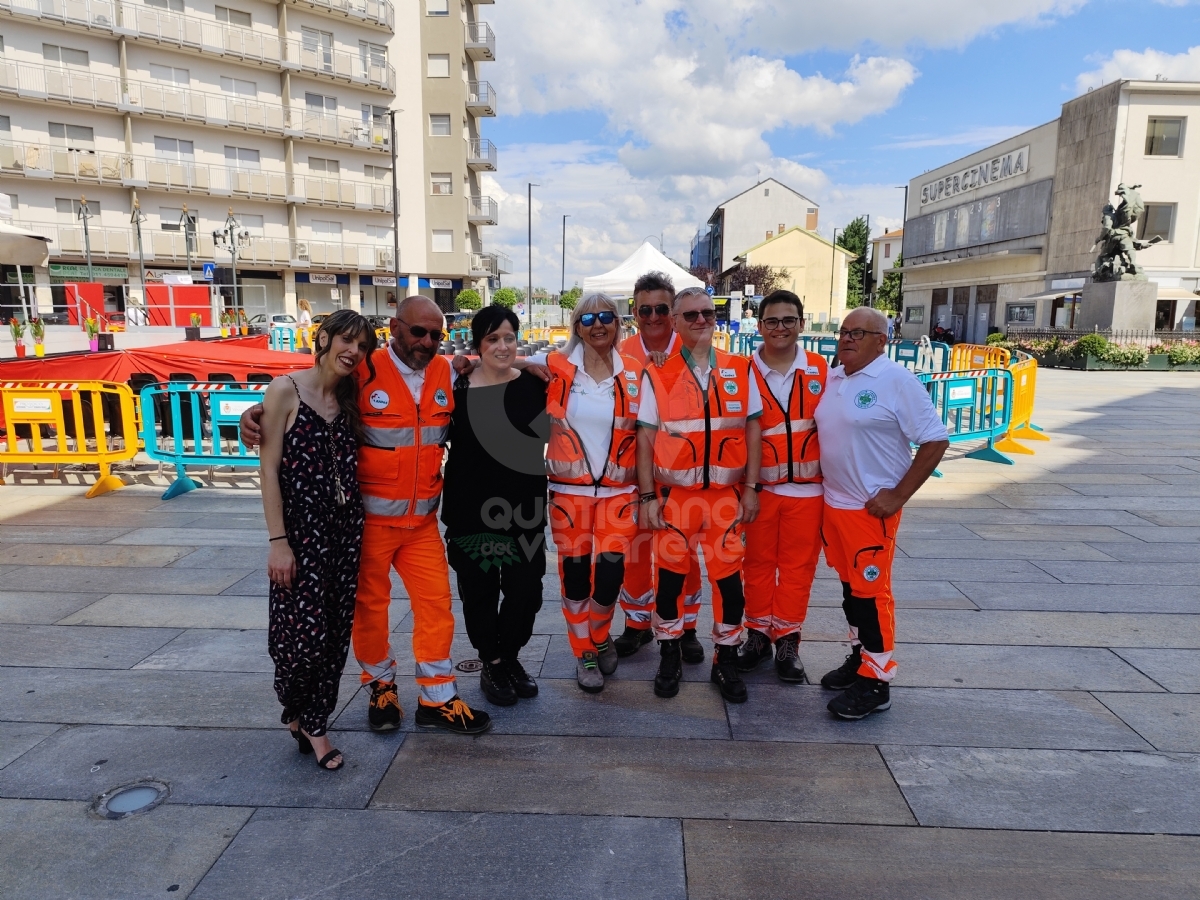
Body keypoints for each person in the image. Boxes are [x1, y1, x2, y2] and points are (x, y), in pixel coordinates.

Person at [242, 296, 491, 736]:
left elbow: (493, 364)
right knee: (370, 609)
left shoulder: (446, 371)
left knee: (437, 608)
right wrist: (257, 413)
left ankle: (438, 697)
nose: (428, 341)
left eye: (437, 334)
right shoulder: (359, 371)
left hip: (421, 525)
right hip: (368, 523)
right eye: (418, 332)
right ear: (394, 327)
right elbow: (307, 393)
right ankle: (380, 687)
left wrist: (532, 367)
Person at [815, 307, 948, 719]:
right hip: (834, 506)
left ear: (881, 340)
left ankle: (877, 681)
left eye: (859, 332)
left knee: (872, 595)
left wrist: (898, 496)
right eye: (844, 331)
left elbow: (935, 441)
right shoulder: (835, 376)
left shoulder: (896, 381)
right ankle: (860, 656)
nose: (848, 338)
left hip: (870, 511)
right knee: (850, 590)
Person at [260, 310, 376, 771]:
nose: (354, 352)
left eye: (362, 346)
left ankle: (314, 721)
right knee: (298, 639)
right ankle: (294, 706)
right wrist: (278, 541)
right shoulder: (285, 389)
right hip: (300, 536)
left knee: (333, 636)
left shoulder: (351, 394)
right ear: (323, 338)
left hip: (346, 533)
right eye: (347, 341)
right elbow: (268, 470)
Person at [637, 286, 763, 703]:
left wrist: (750, 489)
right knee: (670, 584)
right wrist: (647, 497)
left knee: (730, 587)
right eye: (689, 315)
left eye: (707, 313)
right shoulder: (657, 372)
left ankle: (724, 659)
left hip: (726, 498)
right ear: (674, 322)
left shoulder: (741, 368)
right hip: (676, 499)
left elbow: (753, 430)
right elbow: (645, 439)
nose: (700, 321)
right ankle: (669, 652)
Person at [442, 305, 548, 706]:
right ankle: (492, 660)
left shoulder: (536, 385)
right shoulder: (459, 388)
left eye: (509, 337)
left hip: (525, 511)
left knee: (526, 591)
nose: (502, 346)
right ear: (477, 345)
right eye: (492, 339)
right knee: (481, 592)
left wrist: (530, 362)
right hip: (472, 511)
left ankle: (512, 656)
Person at [538, 294, 641, 693]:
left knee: (611, 573)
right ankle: (583, 649)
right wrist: (461, 362)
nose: (598, 325)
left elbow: (648, 432)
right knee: (576, 574)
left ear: (618, 323)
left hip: (620, 490)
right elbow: (503, 364)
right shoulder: (554, 365)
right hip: (569, 491)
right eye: (589, 318)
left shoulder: (635, 371)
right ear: (576, 325)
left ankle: (599, 634)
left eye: (607, 317)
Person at [613, 271, 705, 665]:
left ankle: (685, 626)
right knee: (635, 552)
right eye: (644, 309)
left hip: (681, 475)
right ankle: (636, 624)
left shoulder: (697, 348)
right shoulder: (619, 351)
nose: (653, 316)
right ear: (634, 312)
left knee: (682, 554)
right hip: (631, 472)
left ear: (674, 311)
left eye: (661, 309)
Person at [736, 290, 826, 684]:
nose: (781, 328)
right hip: (758, 492)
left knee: (797, 569)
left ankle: (787, 638)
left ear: (802, 324)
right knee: (754, 565)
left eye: (789, 320)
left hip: (809, 492)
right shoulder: (741, 372)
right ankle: (757, 634)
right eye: (772, 321)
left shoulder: (823, 371)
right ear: (760, 327)